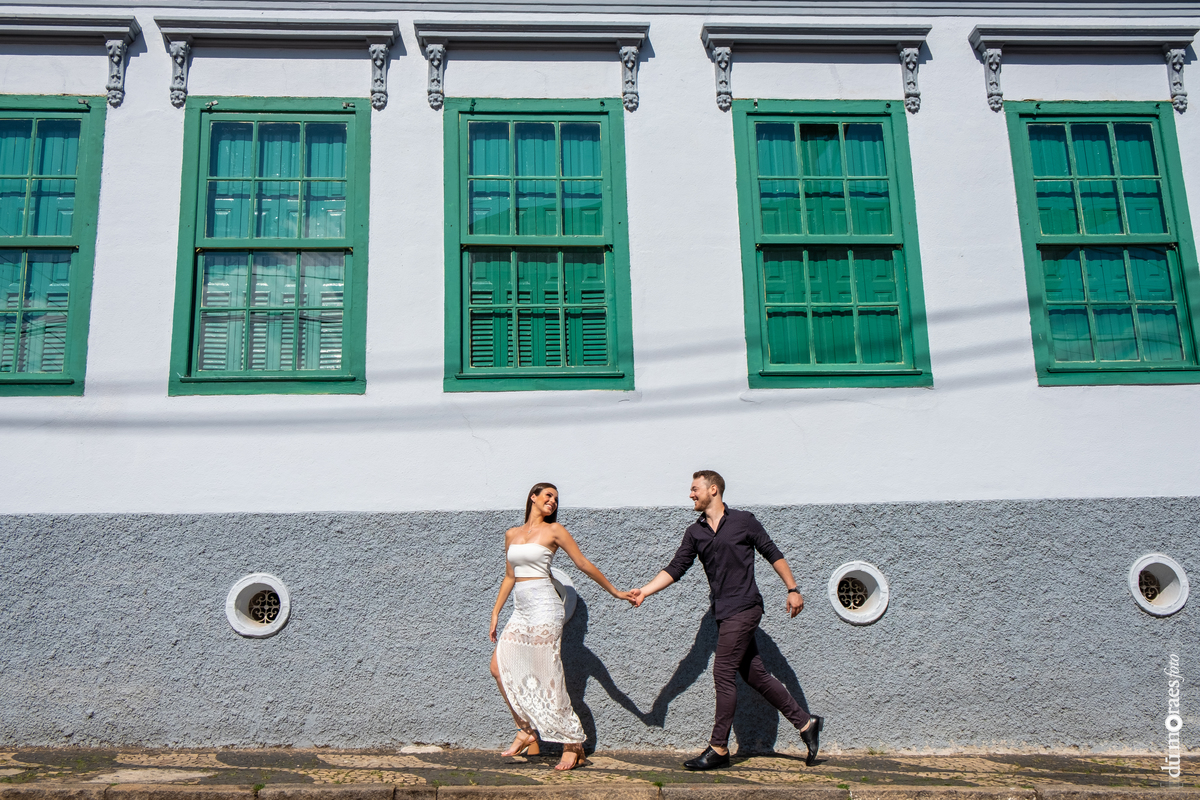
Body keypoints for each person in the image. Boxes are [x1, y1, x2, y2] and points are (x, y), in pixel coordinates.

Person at [630, 470, 823, 770]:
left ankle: (719, 747)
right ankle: (806, 723)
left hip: (745, 607)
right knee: (755, 675)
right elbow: (676, 568)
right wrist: (645, 591)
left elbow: (772, 553)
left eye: (695, 489)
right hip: (723, 612)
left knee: (722, 672)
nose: (690, 495)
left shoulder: (744, 521)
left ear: (713, 490)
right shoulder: (695, 532)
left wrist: (792, 589)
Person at [489, 482, 636, 771]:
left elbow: (582, 563)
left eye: (556, 498)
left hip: (545, 606)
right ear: (533, 497)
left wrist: (616, 592)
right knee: (498, 667)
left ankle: (572, 743)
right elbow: (510, 576)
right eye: (548, 495)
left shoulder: (555, 531)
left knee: (549, 673)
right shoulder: (512, 534)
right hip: (521, 609)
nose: (553, 501)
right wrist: (496, 613)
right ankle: (526, 729)